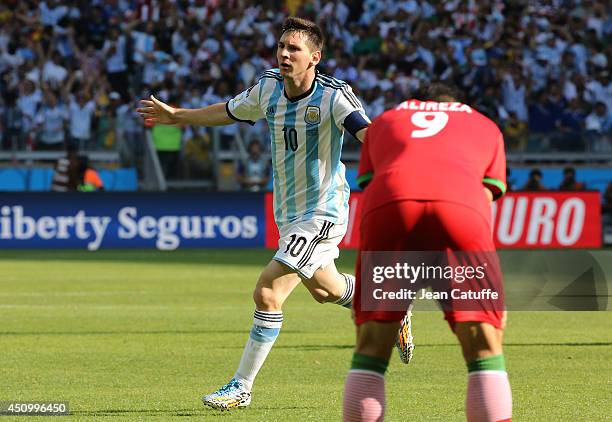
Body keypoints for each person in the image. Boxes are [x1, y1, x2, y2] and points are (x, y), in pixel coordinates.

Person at [137, 17, 395, 411]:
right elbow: (228, 110)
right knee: (325, 291)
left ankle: (241, 386)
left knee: (267, 291)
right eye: (281, 46)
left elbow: (369, 134)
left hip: (322, 210)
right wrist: (177, 115)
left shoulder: (334, 95)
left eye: (294, 48)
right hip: (288, 212)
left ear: (315, 57)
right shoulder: (269, 87)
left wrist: (400, 162)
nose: (284, 54)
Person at [343, 84, 511, 422]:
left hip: (390, 205)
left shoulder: (387, 121)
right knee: (484, 346)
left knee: (371, 348)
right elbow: (488, 194)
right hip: (461, 207)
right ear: (456, 104)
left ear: (418, 102)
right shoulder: (483, 124)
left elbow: (370, 181)